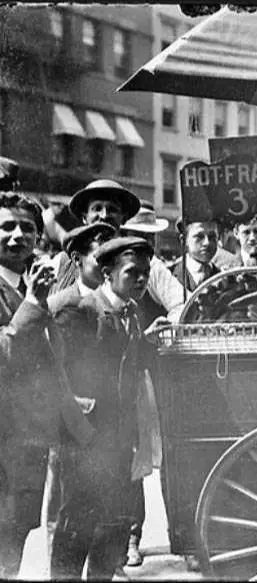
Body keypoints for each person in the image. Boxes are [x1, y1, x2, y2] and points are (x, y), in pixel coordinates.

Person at [0, 192, 93, 578]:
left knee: (15, 532)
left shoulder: (31, 287)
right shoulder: (33, 296)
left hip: (26, 440)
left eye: (27, 228)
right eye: (7, 226)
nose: (17, 236)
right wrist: (34, 306)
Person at [50, 237, 154, 580]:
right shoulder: (80, 312)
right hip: (84, 441)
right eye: (132, 273)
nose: (141, 279)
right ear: (107, 273)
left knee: (113, 527)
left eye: (146, 272)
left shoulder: (132, 314)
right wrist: (82, 432)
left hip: (119, 441)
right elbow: (56, 378)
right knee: (76, 525)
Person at [50, 180, 185, 323]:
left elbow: (182, 304)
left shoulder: (143, 261)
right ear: (85, 217)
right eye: (97, 208)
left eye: (112, 209)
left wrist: (162, 335)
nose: (104, 215)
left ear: (124, 218)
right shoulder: (63, 261)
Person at [119, 203, 171, 567]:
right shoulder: (110, 265)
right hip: (101, 373)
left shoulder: (154, 270)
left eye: (148, 237)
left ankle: (132, 537)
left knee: (135, 456)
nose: (143, 242)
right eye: (137, 235)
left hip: (141, 370)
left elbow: (179, 301)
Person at [171, 219, 221, 292]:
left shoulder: (226, 278)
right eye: (199, 236)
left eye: (212, 236)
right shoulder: (169, 276)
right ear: (184, 240)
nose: (207, 242)